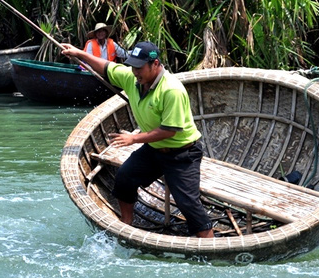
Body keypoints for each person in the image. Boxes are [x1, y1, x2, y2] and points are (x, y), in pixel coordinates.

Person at [62, 40, 214, 238]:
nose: (135, 72)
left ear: (155, 64)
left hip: (182, 153)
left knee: (187, 203)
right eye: (132, 67)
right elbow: (106, 67)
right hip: (154, 149)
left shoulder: (171, 90)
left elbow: (170, 130)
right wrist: (79, 54)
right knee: (124, 178)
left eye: (139, 68)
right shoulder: (132, 79)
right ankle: (127, 223)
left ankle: (209, 244)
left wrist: (134, 139)